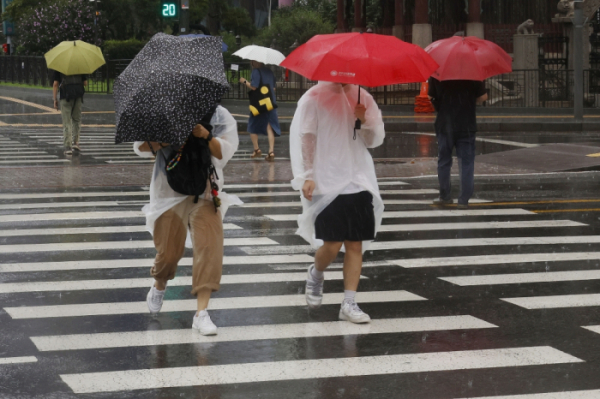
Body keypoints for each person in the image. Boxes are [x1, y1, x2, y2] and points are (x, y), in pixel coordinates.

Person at [133, 104, 240, 335]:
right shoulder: (161, 110)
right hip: (169, 192)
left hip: (205, 190)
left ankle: (201, 313)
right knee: (169, 253)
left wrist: (206, 135)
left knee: (209, 249)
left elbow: (225, 152)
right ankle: (160, 282)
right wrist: (168, 138)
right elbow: (140, 148)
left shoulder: (218, 114)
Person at [290, 81, 385, 324]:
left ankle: (349, 302)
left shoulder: (362, 95)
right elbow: (307, 137)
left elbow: (373, 140)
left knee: (355, 245)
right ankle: (316, 273)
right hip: (327, 180)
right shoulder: (314, 97)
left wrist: (364, 120)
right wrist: (308, 175)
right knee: (331, 245)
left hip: (358, 178)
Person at [428, 77, 488, 208]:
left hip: (445, 124)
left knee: (444, 161)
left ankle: (445, 195)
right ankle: (463, 199)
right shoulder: (473, 73)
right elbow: (483, 97)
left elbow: (431, 97)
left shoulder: (438, 73)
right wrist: (470, 99)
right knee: (466, 162)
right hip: (466, 123)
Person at [239, 60, 281, 161]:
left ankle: (257, 150)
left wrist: (244, 81)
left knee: (252, 124)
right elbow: (273, 88)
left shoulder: (256, 71)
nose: (251, 63)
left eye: (252, 61)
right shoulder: (269, 72)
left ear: (255, 62)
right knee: (269, 126)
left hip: (259, 102)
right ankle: (271, 151)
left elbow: (254, 87)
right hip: (270, 101)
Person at [53, 71, 87, 155]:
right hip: (78, 96)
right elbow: (85, 83)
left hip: (65, 96)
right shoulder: (80, 66)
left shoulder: (60, 67)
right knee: (77, 119)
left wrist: (55, 99)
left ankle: (68, 146)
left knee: (67, 121)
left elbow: (55, 84)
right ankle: (76, 142)